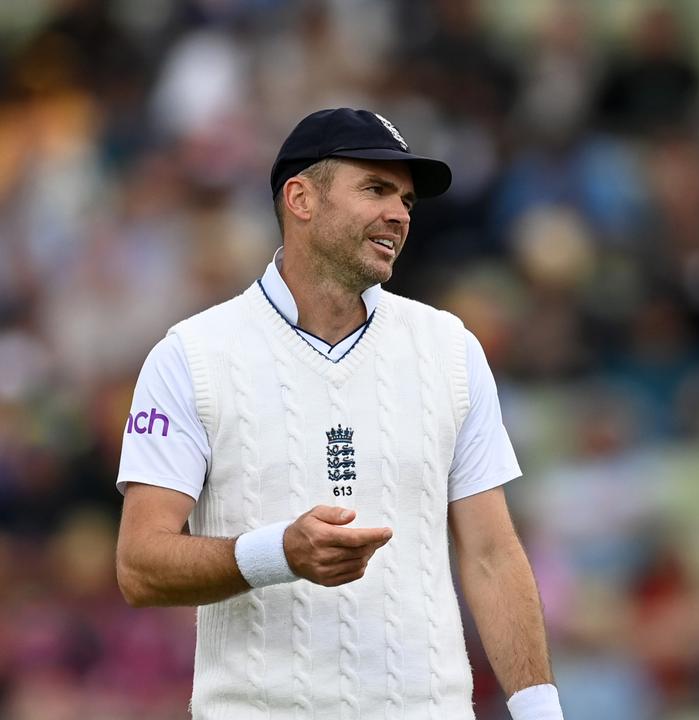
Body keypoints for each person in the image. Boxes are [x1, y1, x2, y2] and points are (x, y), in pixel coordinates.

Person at [115, 108, 565, 720]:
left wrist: (541, 711)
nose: (400, 214)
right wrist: (282, 553)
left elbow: (491, 553)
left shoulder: (450, 348)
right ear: (300, 198)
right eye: (376, 189)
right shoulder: (190, 356)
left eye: (405, 199)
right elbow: (140, 564)